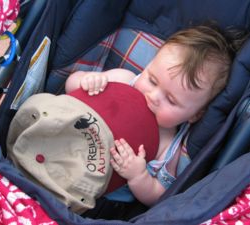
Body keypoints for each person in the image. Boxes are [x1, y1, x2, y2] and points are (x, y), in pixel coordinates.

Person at [65, 25, 236, 206]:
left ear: (194, 115)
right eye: (152, 80)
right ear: (148, 66)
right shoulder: (122, 80)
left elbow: (158, 196)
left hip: (95, 194)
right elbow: (69, 90)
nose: (153, 97)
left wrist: (139, 176)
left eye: (171, 100)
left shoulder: (167, 147)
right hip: (66, 142)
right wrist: (85, 81)